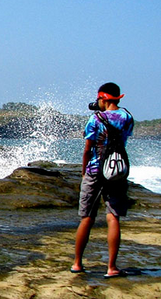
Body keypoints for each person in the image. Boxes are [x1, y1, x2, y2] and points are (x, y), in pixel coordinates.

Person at [71, 82, 134, 278]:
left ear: (104, 98)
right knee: (113, 216)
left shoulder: (94, 119)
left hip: (94, 170)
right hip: (116, 170)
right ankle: (112, 267)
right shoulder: (127, 117)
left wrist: (84, 172)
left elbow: (87, 149)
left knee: (87, 217)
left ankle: (77, 263)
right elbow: (124, 138)